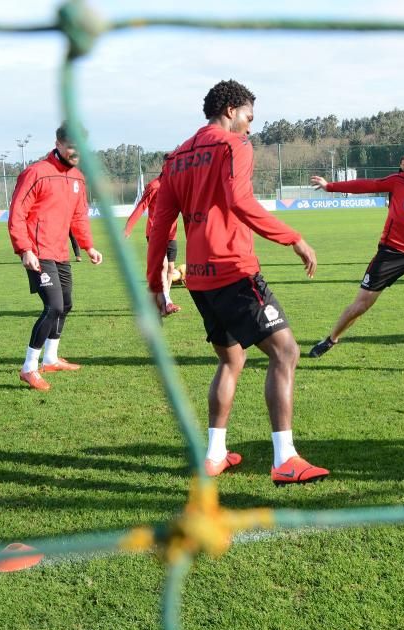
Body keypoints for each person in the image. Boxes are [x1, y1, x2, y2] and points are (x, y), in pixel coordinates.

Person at [146, 79, 327, 485]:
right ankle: (285, 459)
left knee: (232, 359)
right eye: (248, 116)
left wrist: (155, 284)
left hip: (200, 279)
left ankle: (214, 455)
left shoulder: (176, 157)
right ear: (230, 110)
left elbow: (160, 225)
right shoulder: (234, 146)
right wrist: (293, 237)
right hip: (234, 270)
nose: (250, 126)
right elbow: (240, 201)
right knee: (286, 353)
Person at [306, 137, 404, 371]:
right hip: (391, 253)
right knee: (360, 306)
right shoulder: (400, 181)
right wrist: (331, 186)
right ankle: (331, 339)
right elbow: (367, 185)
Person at [8, 122, 104, 392]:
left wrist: (88, 246)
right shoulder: (36, 173)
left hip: (60, 253)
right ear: (59, 143)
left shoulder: (78, 178)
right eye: (72, 146)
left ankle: (50, 358)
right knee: (53, 307)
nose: (77, 153)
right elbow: (17, 214)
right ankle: (29, 367)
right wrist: (24, 249)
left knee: (67, 304)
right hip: (38, 252)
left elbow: (78, 217)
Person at [124, 170, 181, 316]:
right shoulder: (154, 186)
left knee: (170, 268)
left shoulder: (177, 185)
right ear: (165, 167)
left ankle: (163, 302)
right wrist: (128, 228)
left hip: (172, 234)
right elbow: (141, 206)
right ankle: (167, 302)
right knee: (163, 266)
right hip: (155, 233)